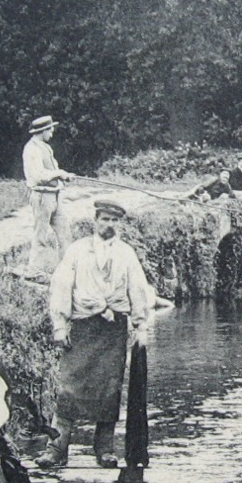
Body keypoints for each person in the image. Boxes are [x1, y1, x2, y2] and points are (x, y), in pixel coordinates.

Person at [46, 200, 151, 469]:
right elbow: (61, 285)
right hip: (83, 326)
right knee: (69, 386)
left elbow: (138, 290)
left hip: (113, 329)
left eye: (114, 220)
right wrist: (59, 324)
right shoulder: (78, 250)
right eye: (104, 219)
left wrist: (141, 327)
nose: (109, 225)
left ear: (119, 224)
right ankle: (57, 448)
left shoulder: (126, 253)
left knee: (110, 389)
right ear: (96, 220)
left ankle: (104, 448)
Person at [22, 115, 74, 278]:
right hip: (42, 196)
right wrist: (59, 173)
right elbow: (38, 175)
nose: (52, 133)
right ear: (42, 131)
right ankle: (33, 269)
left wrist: (64, 176)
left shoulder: (46, 147)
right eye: (50, 129)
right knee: (41, 234)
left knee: (65, 233)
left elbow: (53, 170)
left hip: (55, 196)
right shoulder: (32, 149)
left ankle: (67, 269)